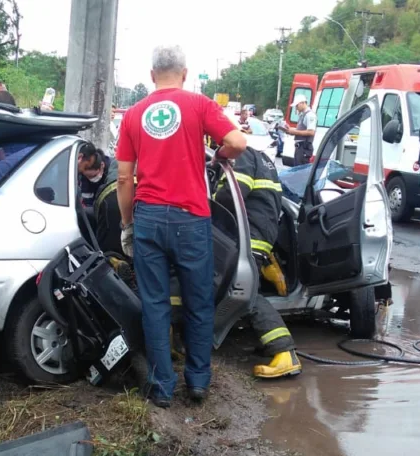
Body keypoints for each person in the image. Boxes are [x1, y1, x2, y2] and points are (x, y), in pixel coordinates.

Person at [115, 45, 247, 408]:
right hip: (191, 218)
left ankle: (161, 388)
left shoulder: (133, 115)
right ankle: (198, 382)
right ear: (185, 74)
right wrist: (219, 156)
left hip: (149, 219)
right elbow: (237, 141)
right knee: (199, 302)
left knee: (155, 304)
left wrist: (128, 225)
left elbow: (124, 178)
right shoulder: (199, 105)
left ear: (152, 75)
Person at [212, 146, 302, 378]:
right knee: (247, 290)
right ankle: (268, 342)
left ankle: (284, 352)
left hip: (247, 237)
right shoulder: (262, 160)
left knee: (245, 296)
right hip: (261, 237)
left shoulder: (243, 157)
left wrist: (209, 200)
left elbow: (231, 194)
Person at [283, 98, 316, 165]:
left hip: (304, 147)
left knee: (300, 170)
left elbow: (311, 132)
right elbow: (301, 130)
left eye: (297, 105)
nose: (296, 108)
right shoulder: (303, 115)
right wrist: (290, 130)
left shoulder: (310, 115)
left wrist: (294, 132)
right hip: (300, 147)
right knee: (298, 169)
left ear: (303, 103)